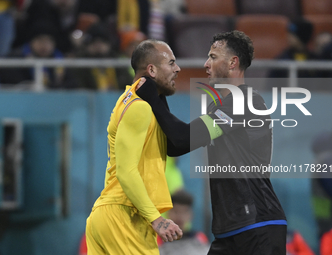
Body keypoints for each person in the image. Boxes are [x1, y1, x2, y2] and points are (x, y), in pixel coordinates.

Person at [136, 30, 287, 255]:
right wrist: (159, 93)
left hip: (258, 226)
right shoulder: (221, 106)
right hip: (229, 230)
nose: (206, 64)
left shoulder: (245, 102)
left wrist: (155, 98)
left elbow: (182, 137)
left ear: (233, 62)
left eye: (213, 57)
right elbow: (176, 146)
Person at [85, 39, 183, 255]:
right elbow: (126, 171)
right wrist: (156, 219)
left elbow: (178, 140)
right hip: (124, 217)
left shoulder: (129, 100)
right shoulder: (139, 108)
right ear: (152, 70)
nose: (178, 69)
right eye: (171, 63)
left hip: (108, 216)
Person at [158, 190, 210, 255]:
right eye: (176, 211)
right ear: (168, 213)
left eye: (184, 212)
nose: (180, 216)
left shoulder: (199, 238)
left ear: (191, 215)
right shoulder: (159, 240)